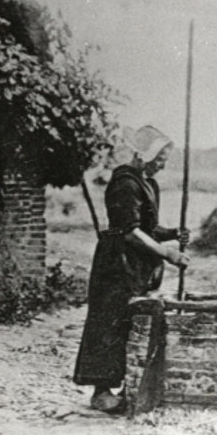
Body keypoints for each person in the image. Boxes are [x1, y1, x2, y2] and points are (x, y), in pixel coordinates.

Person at [72, 125, 190, 413]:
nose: (162, 165)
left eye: (164, 160)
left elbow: (148, 228)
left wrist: (172, 233)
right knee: (109, 322)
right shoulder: (125, 183)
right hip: (116, 263)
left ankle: (129, 385)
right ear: (142, 155)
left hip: (136, 265)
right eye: (159, 159)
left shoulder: (148, 184)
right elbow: (130, 232)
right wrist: (167, 253)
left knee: (131, 323)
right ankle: (101, 392)